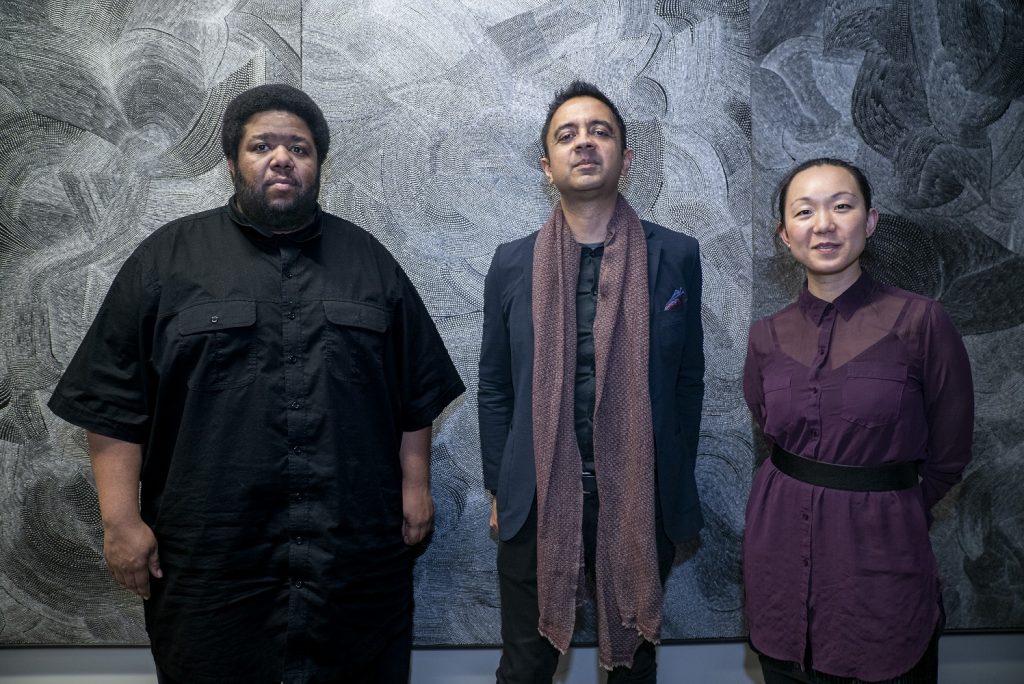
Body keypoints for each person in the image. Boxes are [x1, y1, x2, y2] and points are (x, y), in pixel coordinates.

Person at [48, 83, 465, 684]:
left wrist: (416, 485)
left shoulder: (369, 261)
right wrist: (120, 522)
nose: (281, 158)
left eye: (298, 148)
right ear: (232, 162)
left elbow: (414, 390)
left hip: (351, 559)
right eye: (261, 145)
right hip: (213, 565)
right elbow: (112, 402)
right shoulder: (166, 261)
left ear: (317, 165)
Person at [478, 80, 705, 683]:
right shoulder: (511, 262)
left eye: (600, 132)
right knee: (526, 667)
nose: (585, 143)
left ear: (625, 160)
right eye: (567, 135)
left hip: (637, 492)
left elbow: (688, 380)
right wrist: (501, 485)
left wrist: (671, 472)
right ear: (546, 165)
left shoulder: (676, 255)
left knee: (634, 664)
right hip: (539, 493)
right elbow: (496, 385)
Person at [742, 158, 974, 683]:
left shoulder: (921, 322)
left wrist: (892, 510)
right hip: (777, 563)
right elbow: (770, 431)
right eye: (804, 212)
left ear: (869, 222)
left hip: (883, 566)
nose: (823, 224)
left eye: (841, 206)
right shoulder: (766, 336)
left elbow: (950, 454)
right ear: (785, 235)